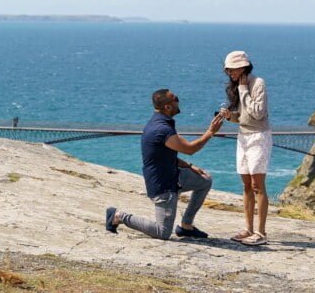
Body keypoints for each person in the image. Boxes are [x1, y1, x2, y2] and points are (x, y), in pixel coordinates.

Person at [105, 89, 223, 240]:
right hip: (163, 185)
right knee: (163, 232)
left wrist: (188, 166)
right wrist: (211, 132)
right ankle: (118, 216)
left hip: (174, 175)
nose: (179, 101)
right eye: (176, 99)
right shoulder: (162, 129)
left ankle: (186, 226)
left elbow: (164, 155)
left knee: (204, 180)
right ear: (168, 106)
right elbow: (190, 148)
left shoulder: (160, 123)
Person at [219, 50, 272, 246]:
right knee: (246, 185)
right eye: (228, 70)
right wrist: (229, 116)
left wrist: (243, 91)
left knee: (258, 185)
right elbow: (243, 116)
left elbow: (258, 113)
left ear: (243, 66)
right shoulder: (238, 86)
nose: (230, 73)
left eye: (232, 69)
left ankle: (261, 232)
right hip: (243, 136)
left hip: (259, 136)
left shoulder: (258, 83)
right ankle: (248, 228)